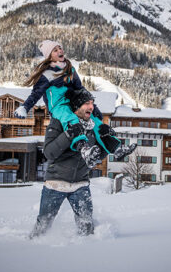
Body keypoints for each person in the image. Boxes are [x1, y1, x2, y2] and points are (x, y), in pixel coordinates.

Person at [15, 40, 135, 169]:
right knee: (71, 120)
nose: (59, 51)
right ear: (49, 56)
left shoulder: (69, 68)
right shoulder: (46, 74)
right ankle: (84, 150)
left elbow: (80, 89)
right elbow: (36, 94)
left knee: (96, 123)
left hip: (73, 102)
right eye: (55, 50)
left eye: (60, 48)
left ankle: (117, 149)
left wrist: (92, 107)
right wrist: (25, 107)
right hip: (58, 106)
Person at [30, 89, 111, 238]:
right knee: (43, 225)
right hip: (55, 183)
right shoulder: (59, 121)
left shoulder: (92, 126)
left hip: (80, 184)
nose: (91, 107)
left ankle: (85, 253)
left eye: (92, 103)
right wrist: (68, 135)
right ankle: (31, 248)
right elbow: (49, 152)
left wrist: (107, 142)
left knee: (86, 227)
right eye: (87, 103)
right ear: (76, 106)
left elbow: (96, 157)